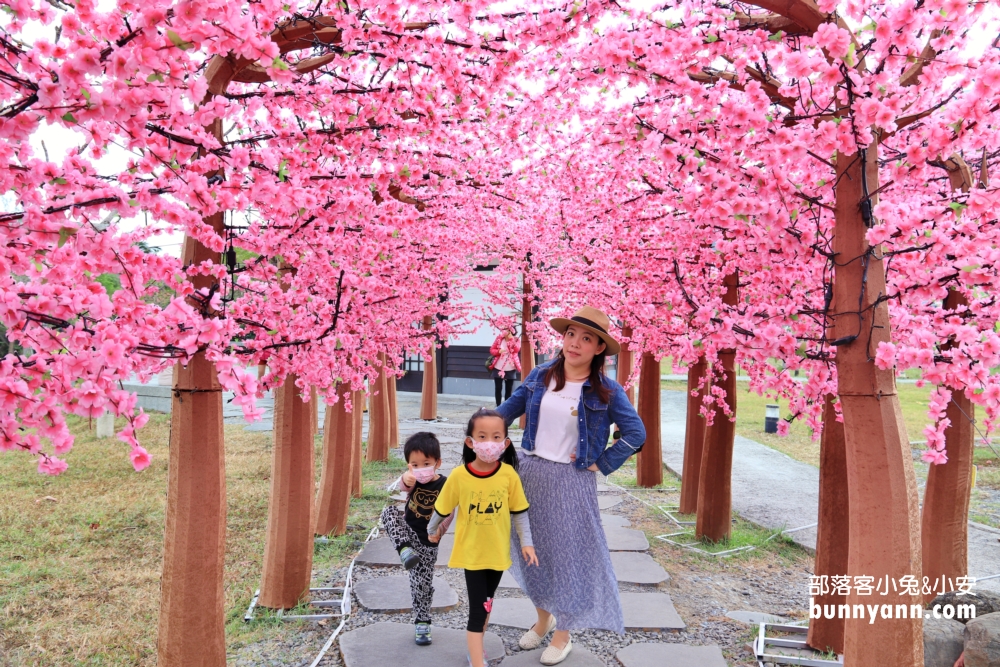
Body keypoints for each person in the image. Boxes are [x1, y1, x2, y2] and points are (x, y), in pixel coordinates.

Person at [496, 305, 646, 666]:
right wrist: (483, 438)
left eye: (587, 338)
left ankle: (563, 634)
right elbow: (504, 413)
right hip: (529, 475)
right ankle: (544, 616)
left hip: (570, 481)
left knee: (570, 557)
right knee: (530, 550)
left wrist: (601, 462)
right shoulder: (540, 375)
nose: (575, 343)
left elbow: (636, 434)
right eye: (571, 335)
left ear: (598, 349)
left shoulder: (606, 390)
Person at [427, 408, 538, 667]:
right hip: (473, 555)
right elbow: (442, 508)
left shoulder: (509, 475)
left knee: (487, 603)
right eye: (483, 436)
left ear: (506, 442)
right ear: (471, 441)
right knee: (478, 609)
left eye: (497, 437)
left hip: (498, 554)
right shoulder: (459, 476)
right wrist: (432, 531)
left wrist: (527, 543)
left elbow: (519, 512)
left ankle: (475, 651)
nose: (490, 442)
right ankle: (477, 661)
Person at [379, 432, 453, 646]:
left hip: (428, 542)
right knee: (389, 513)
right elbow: (402, 487)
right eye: (415, 464)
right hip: (409, 536)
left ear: (437, 463)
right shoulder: (412, 479)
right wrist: (405, 478)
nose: (421, 469)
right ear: (409, 465)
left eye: (426, 463)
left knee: (421, 584)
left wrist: (440, 532)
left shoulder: (445, 485)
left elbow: (449, 512)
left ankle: (423, 623)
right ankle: (404, 550)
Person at [489, 327, 521, 407]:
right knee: (498, 388)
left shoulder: (516, 339)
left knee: (509, 389)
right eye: (504, 330)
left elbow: (516, 350)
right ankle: (498, 406)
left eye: (506, 330)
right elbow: (492, 350)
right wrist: (498, 351)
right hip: (498, 367)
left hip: (510, 368)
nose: (504, 331)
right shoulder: (499, 339)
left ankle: (507, 407)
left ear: (511, 331)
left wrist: (511, 340)